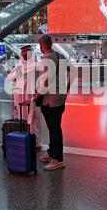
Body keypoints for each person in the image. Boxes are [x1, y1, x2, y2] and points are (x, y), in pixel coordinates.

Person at [30, 35, 74, 171]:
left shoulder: (46, 58)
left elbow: (46, 82)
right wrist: (66, 90)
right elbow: (72, 71)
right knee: (53, 127)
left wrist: (36, 96)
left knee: (54, 128)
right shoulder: (60, 55)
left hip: (50, 100)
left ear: (42, 46)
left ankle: (58, 159)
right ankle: (52, 153)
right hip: (59, 97)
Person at [6, 45, 47, 148]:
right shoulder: (18, 67)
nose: (25, 54)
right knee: (21, 117)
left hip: (32, 97)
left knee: (35, 119)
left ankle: (36, 142)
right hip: (19, 97)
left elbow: (44, 80)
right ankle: (23, 139)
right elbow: (10, 78)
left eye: (27, 51)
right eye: (23, 52)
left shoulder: (38, 66)